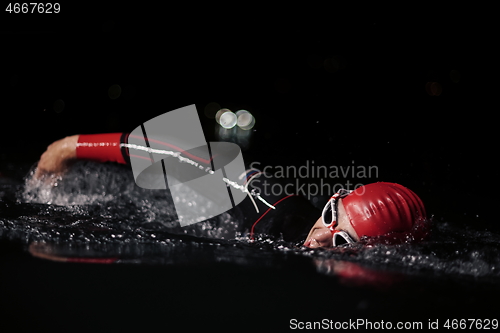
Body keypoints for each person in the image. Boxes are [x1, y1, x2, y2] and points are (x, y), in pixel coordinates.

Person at [35, 133, 429, 248]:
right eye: (330, 218)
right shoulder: (274, 212)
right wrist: (71, 147)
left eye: (343, 242)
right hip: (185, 207)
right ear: (330, 201)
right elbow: (180, 151)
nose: (322, 238)